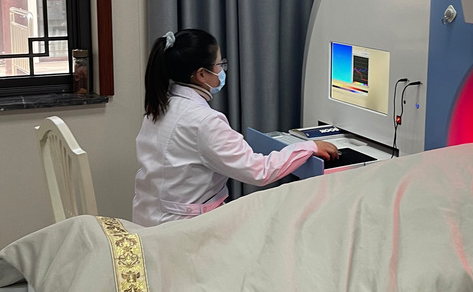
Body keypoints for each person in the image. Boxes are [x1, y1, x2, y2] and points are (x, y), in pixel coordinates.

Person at [132, 29, 339, 226]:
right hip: (182, 226)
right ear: (201, 74)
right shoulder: (204, 121)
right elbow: (259, 172)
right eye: (219, 64)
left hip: (148, 216)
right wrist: (309, 147)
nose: (222, 70)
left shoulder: (160, 105)